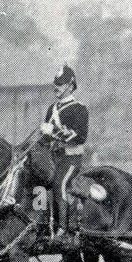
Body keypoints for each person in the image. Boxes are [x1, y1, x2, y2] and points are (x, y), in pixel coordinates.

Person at [39, 64, 89, 240]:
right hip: (52, 158)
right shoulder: (51, 109)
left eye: (60, 84)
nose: (56, 88)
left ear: (70, 85)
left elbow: (80, 137)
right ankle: (42, 223)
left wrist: (53, 132)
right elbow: (45, 139)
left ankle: (64, 228)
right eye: (55, 84)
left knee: (59, 184)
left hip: (71, 159)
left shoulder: (79, 109)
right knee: (37, 182)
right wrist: (43, 135)